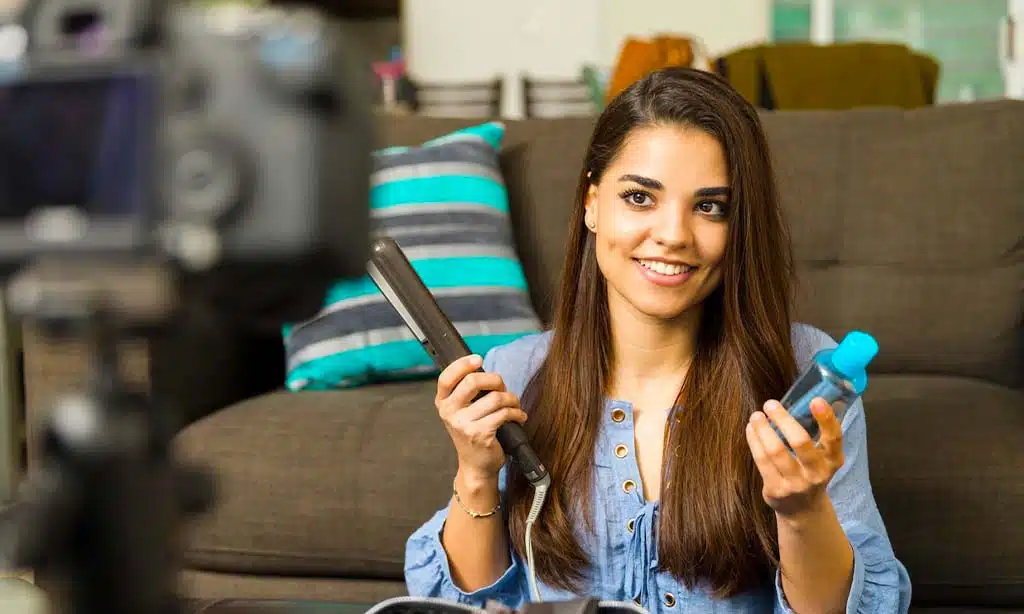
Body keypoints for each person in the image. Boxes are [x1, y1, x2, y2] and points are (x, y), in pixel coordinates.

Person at [404, 67, 912, 613]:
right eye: (641, 198)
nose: (673, 235)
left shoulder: (806, 372)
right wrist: (477, 474)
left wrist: (802, 511)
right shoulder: (516, 372)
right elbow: (480, 604)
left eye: (710, 206)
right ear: (592, 202)